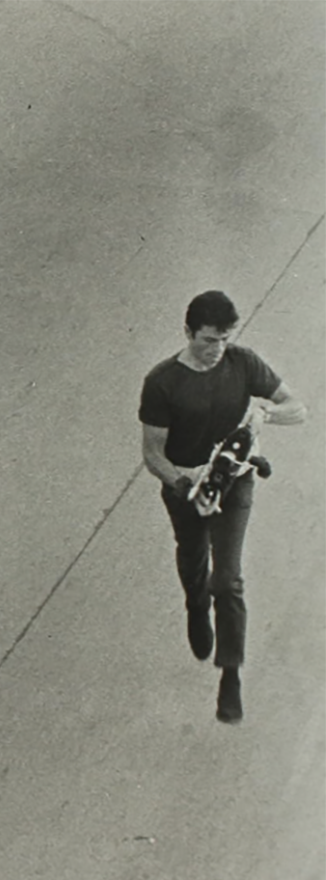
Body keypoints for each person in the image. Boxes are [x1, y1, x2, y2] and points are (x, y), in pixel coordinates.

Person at [139, 290, 306, 723]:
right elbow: (153, 453)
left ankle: (230, 674)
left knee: (228, 580)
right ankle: (195, 605)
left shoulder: (243, 363)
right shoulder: (162, 382)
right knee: (193, 559)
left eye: (224, 340)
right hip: (187, 490)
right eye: (208, 340)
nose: (216, 349)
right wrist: (181, 477)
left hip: (234, 482)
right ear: (189, 332)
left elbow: (297, 407)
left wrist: (266, 416)